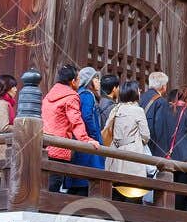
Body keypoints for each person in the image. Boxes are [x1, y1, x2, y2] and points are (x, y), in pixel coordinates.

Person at [41, 65, 98, 193]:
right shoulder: (71, 96)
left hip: (45, 145)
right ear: (73, 81)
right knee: (54, 184)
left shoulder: (49, 96)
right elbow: (76, 121)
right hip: (60, 146)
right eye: (78, 79)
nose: (79, 82)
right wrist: (85, 139)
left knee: (45, 184)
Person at [102, 80, 151, 201]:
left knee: (116, 190)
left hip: (115, 153)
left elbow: (108, 130)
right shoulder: (138, 111)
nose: (140, 92)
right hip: (132, 154)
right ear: (134, 93)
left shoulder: (116, 109)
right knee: (133, 190)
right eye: (138, 90)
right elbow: (146, 136)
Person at [73, 66, 106, 180]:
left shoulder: (80, 93)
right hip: (89, 142)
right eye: (96, 79)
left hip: (81, 139)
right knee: (89, 178)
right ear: (89, 81)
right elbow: (86, 117)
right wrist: (94, 136)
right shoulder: (87, 95)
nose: (99, 81)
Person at [141, 70, 171, 156]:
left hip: (139, 144)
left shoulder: (141, 97)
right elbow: (160, 130)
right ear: (163, 86)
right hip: (152, 148)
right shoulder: (161, 102)